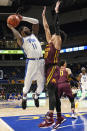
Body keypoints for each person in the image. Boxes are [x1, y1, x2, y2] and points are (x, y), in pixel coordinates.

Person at [7, 14, 45, 109]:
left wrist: (23, 18)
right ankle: (24, 98)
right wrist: (12, 27)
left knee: (41, 87)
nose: (27, 28)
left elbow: (36, 21)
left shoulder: (34, 35)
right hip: (31, 63)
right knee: (27, 86)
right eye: (25, 28)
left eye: (27, 27)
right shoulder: (22, 40)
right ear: (22, 32)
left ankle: (35, 96)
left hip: (41, 62)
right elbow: (17, 36)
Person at [39, 1, 66, 129]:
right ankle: (59, 116)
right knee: (54, 95)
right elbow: (46, 28)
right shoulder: (50, 41)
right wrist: (43, 16)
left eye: (56, 33)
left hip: (53, 69)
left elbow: (55, 26)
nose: (54, 34)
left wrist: (56, 11)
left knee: (51, 92)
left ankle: (50, 118)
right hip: (48, 69)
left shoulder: (58, 41)